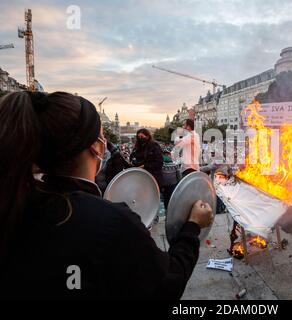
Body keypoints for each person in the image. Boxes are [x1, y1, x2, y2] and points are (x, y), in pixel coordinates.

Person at [0, 91, 213, 299]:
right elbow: (167, 284)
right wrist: (192, 225)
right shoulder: (112, 222)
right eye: (102, 135)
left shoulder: (15, 204)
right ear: (95, 147)